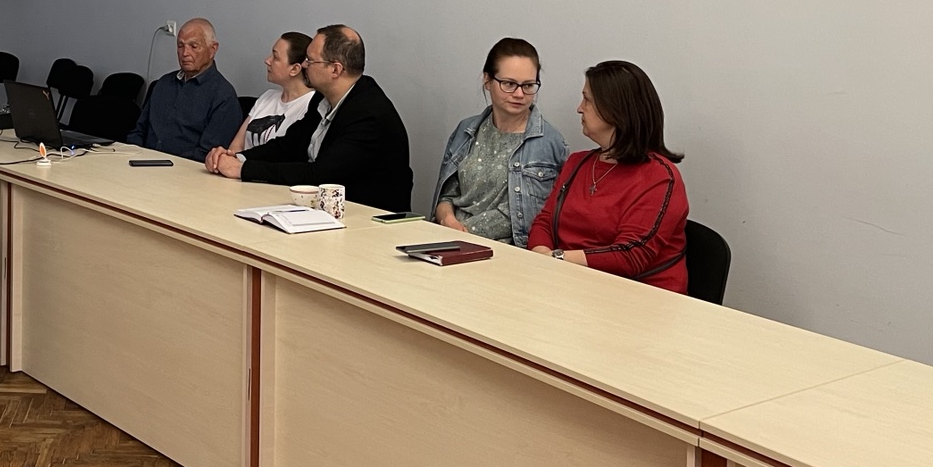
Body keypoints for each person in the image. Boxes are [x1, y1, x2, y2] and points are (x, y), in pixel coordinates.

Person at [206, 25, 413, 213]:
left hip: (370, 218)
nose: (304, 64)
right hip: (328, 211)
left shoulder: (368, 115)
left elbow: (320, 175)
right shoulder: (321, 98)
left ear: (335, 69)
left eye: (311, 60)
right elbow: (289, 145)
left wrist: (243, 170)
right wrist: (238, 158)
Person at [528, 60, 689, 292]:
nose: (579, 108)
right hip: (570, 285)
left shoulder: (661, 178)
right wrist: (541, 254)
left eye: (587, 100)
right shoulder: (577, 163)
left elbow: (631, 254)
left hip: (638, 297)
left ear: (615, 110)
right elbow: (545, 221)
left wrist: (557, 259)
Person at [431, 37, 567, 247]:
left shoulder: (548, 143)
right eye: (509, 84)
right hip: (451, 239)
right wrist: (447, 220)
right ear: (487, 80)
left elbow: (528, 215)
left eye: (528, 85)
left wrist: (465, 231)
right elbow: (447, 195)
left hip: (506, 250)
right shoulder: (466, 130)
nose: (519, 94)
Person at [125, 18, 242, 160]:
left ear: (213, 49)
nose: (185, 53)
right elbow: (139, 131)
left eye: (194, 46)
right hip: (141, 162)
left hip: (184, 169)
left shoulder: (224, 96)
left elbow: (207, 153)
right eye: (180, 46)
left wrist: (164, 163)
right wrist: (133, 154)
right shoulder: (163, 84)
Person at [223, 31, 315, 154]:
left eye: (275, 57)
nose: (267, 60)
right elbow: (236, 146)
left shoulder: (311, 106)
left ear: (294, 69)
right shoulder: (267, 96)